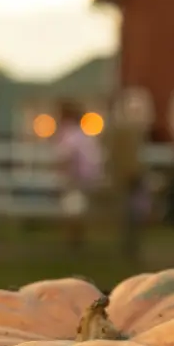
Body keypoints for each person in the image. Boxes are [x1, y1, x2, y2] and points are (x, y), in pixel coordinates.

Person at [54, 99, 103, 249]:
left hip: (78, 180)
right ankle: (76, 240)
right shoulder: (85, 135)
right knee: (75, 205)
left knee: (73, 207)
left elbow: (66, 158)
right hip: (90, 179)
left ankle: (74, 242)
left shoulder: (69, 135)